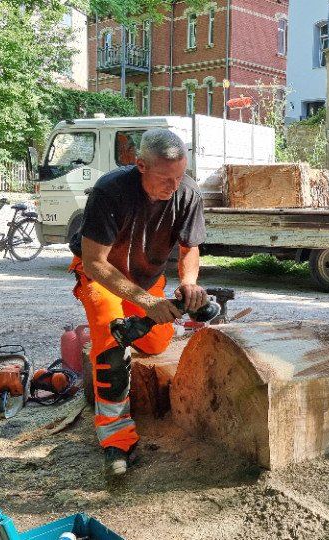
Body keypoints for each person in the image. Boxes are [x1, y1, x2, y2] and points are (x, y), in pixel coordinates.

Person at [68, 128, 208, 477]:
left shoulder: (187, 191)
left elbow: (191, 249)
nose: (173, 186)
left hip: (146, 276)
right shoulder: (110, 191)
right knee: (110, 339)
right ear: (140, 164)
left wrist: (189, 283)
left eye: (180, 176)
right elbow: (93, 262)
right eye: (165, 178)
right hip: (96, 278)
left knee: (156, 340)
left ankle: (123, 332)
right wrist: (146, 302)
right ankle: (116, 439)